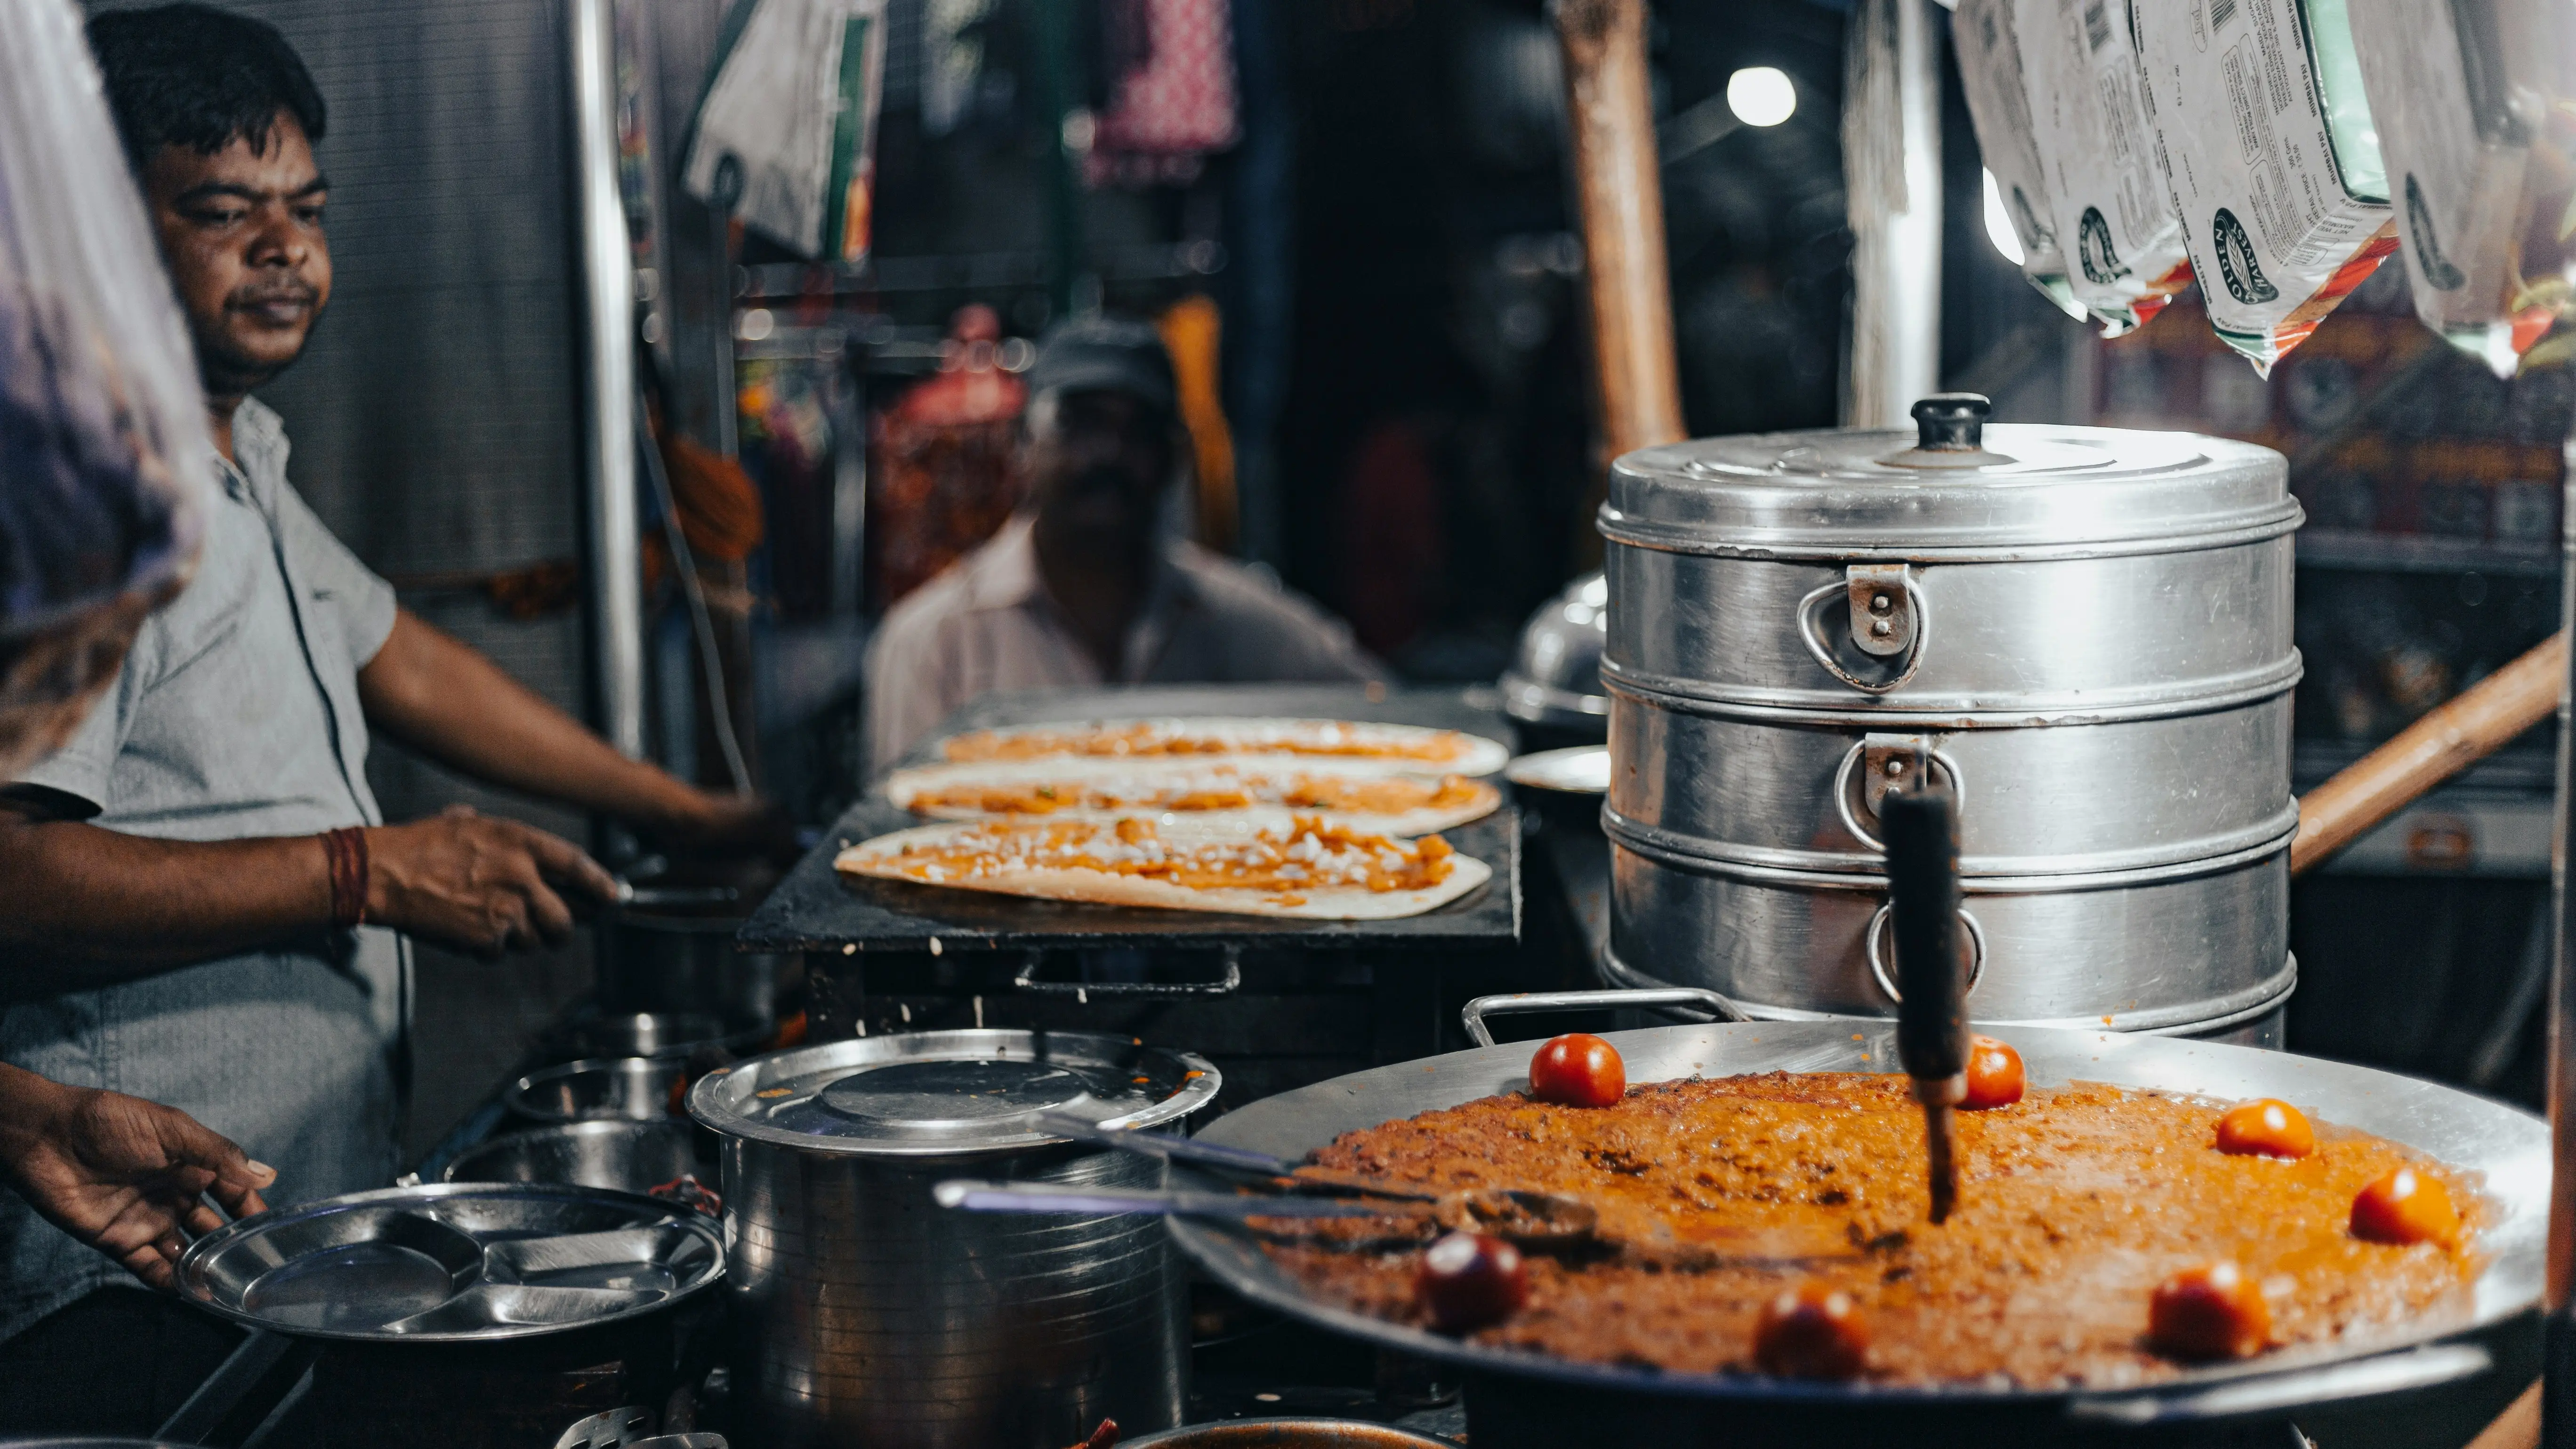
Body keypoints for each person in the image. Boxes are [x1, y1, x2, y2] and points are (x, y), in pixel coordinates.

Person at [0, 6, 783, 1428]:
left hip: (277, 1230)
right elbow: (15, 876)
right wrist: (368, 871)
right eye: (221, 212)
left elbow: (403, 657)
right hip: (126, 1269)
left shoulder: (233, 460)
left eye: (306, 210)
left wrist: (691, 814)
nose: (285, 250)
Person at [864, 316, 1381, 768]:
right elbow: (897, 833)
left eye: (1140, 431)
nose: (1109, 452)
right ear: (1023, 445)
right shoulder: (933, 645)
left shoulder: (1248, 629)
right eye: (1080, 424)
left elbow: (1387, 719)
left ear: (1171, 460)